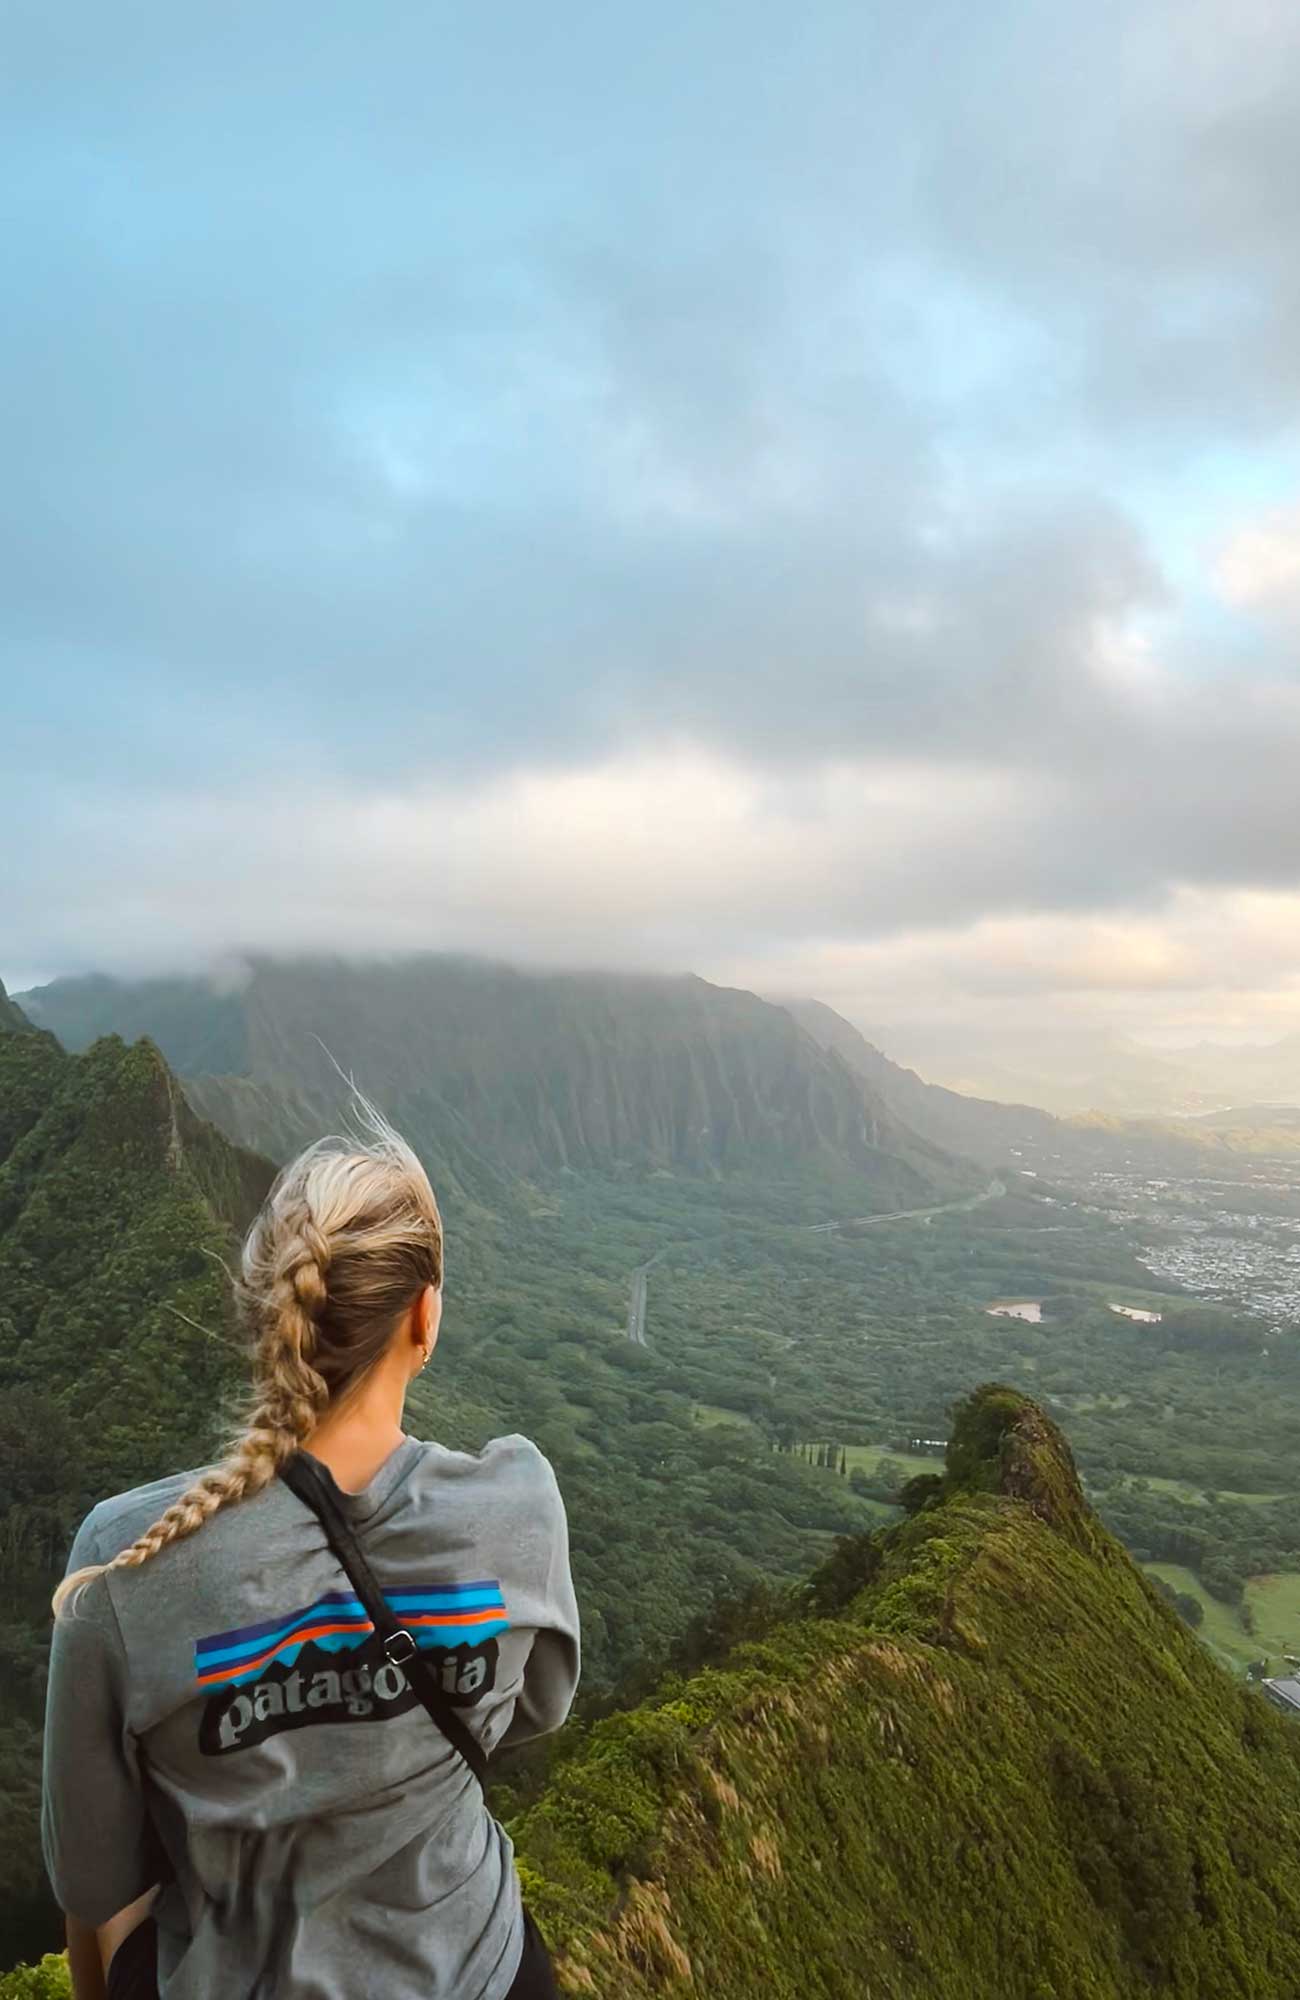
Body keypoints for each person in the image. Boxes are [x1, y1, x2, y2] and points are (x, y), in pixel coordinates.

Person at [42, 1102, 580, 1999]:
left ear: (264, 1314)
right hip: (481, 1970)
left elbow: (92, 1881)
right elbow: (531, 1711)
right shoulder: (519, 1504)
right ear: (424, 1318)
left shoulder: (119, 1560)